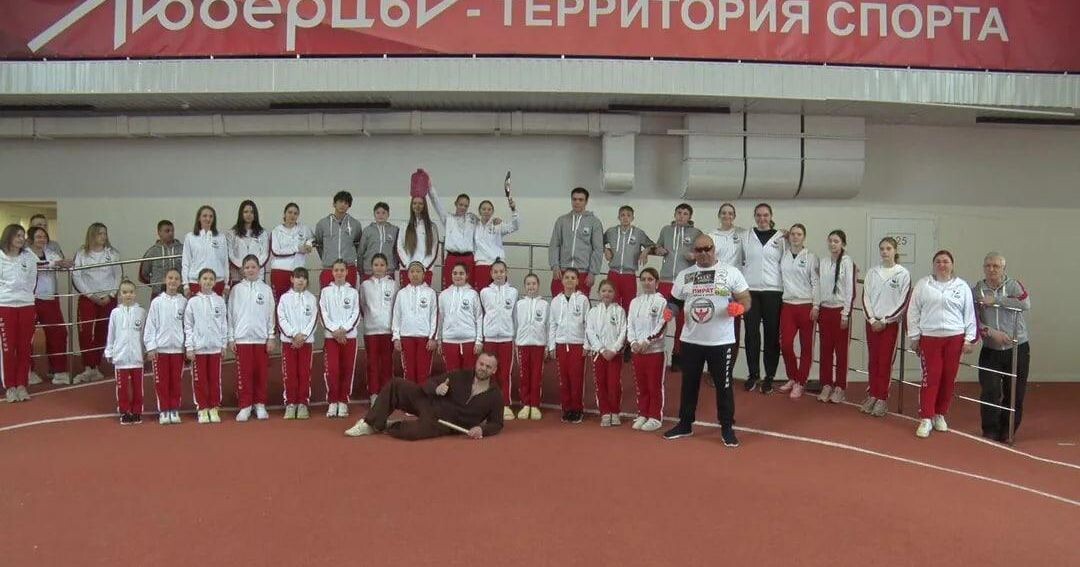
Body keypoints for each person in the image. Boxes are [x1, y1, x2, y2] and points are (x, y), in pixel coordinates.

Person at [663, 234, 751, 447]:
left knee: (724, 385)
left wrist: (740, 307)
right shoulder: (685, 275)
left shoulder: (731, 272)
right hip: (691, 340)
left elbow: (745, 298)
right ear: (694, 252)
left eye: (707, 248)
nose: (703, 253)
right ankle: (685, 424)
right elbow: (675, 301)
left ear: (714, 249)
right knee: (689, 384)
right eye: (699, 250)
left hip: (721, 341)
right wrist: (670, 311)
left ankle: (727, 427)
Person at [344, 353, 505, 440]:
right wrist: (437, 388)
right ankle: (369, 423)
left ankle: (386, 425)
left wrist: (481, 429)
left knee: (411, 433)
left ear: (494, 370)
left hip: (443, 424)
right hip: (430, 403)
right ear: (476, 363)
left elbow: (497, 423)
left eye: (488, 366)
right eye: (481, 364)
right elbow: (429, 383)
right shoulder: (460, 375)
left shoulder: (495, 396)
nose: (483, 368)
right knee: (396, 384)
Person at [907, 250, 977, 439]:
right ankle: (926, 417)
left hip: (955, 338)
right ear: (933, 265)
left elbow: (969, 313)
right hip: (930, 338)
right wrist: (914, 336)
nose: (942, 265)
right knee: (931, 377)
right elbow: (913, 311)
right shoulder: (923, 285)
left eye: (945, 261)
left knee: (948, 378)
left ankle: (940, 414)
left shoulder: (962, 286)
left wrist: (969, 339)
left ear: (952, 265)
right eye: (938, 261)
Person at [973, 252, 1031, 442]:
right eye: (988, 266)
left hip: (1017, 348)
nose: (992, 269)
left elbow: (1025, 304)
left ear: (1003, 268)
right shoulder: (978, 289)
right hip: (991, 349)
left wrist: (996, 300)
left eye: (996, 266)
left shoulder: (1013, 285)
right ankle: (990, 429)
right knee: (990, 390)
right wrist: (990, 332)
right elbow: (973, 318)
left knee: (1014, 392)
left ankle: (1008, 430)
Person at [861, 237, 911, 417]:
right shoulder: (872, 272)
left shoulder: (902, 273)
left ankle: (882, 398)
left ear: (895, 251)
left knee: (885, 361)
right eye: (882, 248)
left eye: (888, 248)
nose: (884, 252)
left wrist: (885, 320)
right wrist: (871, 319)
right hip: (872, 324)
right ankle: (873, 394)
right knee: (873, 360)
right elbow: (865, 297)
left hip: (889, 325)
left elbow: (903, 302)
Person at [650, 203, 702, 371]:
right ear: (674, 214)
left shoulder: (696, 233)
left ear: (690, 217)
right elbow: (657, 246)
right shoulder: (666, 230)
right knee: (659, 318)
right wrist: (658, 250)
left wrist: (694, 256)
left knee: (682, 322)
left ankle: (678, 356)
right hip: (665, 280)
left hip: (685, 282)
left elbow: (703, 254)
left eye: (685, 213)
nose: (681, 216)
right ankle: (655, 352)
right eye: (679, 212)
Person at [741, 203, 785, 394]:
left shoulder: (781, 238)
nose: (762, 218)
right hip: (750, 291)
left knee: (771, 335)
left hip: (773, 292)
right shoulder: (745, 236)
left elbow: (790, 260)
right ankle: (753, 375)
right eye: (758, 215)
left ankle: (769, 377)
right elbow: (737, 260)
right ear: (754, 216)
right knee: (751, 334)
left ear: (771, 216)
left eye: (765, 215)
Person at [72, 222, 123, 384]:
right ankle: (88, 365)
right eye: (100, 233)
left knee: (104, 330)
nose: (103, 237)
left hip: (108, 298)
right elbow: (77, 276)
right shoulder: (82, 254)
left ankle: (96, 365)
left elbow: (118, 275)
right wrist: (90, 295)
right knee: (86, 331)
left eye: (105, 233)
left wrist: (111, 295)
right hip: (88, 298)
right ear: (92, 235)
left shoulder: (112, 253)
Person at [228, 255, 276, 422]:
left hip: (261, 339)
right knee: (245, 374)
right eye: (247, 267)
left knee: (261, 373)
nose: (250, 270)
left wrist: (271, 336)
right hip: (242, 339)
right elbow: (230, 314)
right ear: (242, 270)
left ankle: (260, 404)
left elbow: (270, 314)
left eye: (253, 267)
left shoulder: (266, 290)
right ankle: (245, 405)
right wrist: (231, 337)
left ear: (259, 269)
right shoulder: (236, 290)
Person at [777, 224, 818, 399]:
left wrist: (816, 306)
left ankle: (801, 382)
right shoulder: (784, 254)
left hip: (806, 305)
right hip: (788, 305)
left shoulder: (811, 257)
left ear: (804, 237)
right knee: (785, 344)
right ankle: (793, 377)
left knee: (806, 347)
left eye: (799, 234)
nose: (795, 237)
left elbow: (816, 282)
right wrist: (782, 234)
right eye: (793, 234)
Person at [816, 230, 856, 404]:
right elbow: (818, 286)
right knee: (825, 350)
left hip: (840, 311)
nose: (833, 244)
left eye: (836, 241)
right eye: (830, 241)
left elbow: (850, 290)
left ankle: (840, 387)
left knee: (841, 352)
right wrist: (817, 306)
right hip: (825, 310)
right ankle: (826, 384)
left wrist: (845, 313)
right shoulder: (824, 262)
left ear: (843, 244)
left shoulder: (847, 262)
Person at [185, 268, 229, 424]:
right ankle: (202, 408)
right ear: (199, 281)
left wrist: (223, 344)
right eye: (205, 278)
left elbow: (223, 323)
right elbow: (188, 326)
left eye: (211, 279)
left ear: (215, 282)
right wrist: (190, 347)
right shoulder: (193, 302)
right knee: (200, 380)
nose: (208, 281)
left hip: (215, 347)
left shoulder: (219, 300)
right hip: (199, 348)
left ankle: (214, 407)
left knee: (214, 379)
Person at [27, 226, 70, 385]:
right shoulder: (25, 254)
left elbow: (61, 263)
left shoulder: (51, 252)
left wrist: (64, 264)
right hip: (30, 299)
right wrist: (54, 263)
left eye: (44, 236)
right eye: (38, 237)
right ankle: (28, 371)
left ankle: (58, 370)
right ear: (31, 239)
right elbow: (36, 265)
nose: (42, 239)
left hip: (50, 298)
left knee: (59, 333)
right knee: (27, 337)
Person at [627, 268, 669, 432]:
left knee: (654, 386)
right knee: (641, 385)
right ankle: (643, 413)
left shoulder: (662, 302)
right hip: (638, 351)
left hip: (655, 352)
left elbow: (661, 325)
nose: (646, 282)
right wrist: (633, 342)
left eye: (650, 279)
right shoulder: (634, 302)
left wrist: (647, 341)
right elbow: (630, 324)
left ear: (657, 283)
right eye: (643, 279)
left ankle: (655, 417)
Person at [144, 267, 186, 425]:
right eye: (170, 278)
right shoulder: (157, 302)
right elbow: (150, 325)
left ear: (180, 282)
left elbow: (187, 325)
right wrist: (151, 347)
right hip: (160, 350)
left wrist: (187, 345)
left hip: (178, 349)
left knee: (176, 381)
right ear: (165, 280)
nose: (173, 281)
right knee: (162, 381)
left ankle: (174, 409)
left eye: (176, 278)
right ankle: (164, 410)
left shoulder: (184, 302)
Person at [0, 224, 38, 402]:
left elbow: (31, 281)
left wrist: (23, 295)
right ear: (8, 237)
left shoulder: (29, 257)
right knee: (8, 349)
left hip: (26, 305)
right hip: (5, 306)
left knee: (24, 347)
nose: (21, 239)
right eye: (17, 235)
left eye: (23, 235)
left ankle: (22, 384)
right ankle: (10, 386)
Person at [548, 268, 590, 423]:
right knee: (564, 379)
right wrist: (551, 346)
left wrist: (586, 344)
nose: (570, 280)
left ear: (578, 281)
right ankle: (566, 409)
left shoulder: (583, 300)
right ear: (562, 280)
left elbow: (588, 324)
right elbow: (552, 324)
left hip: (577, 345)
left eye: (573, 277)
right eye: (567, 277)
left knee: (576, 379)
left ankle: (577, 409)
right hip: (561, 344)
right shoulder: (555, 301)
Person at [320, 259, 361, 419]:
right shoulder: (325, 292)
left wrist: (344, 330)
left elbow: (356, 313)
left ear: (347, 272)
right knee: (332, 370)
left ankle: (343, 401)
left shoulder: (353, 292)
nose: (339, 273)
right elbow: (323, 313)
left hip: (349, 337)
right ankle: (333, 401)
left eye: (342, 270)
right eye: (336, 270)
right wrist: (335, 331)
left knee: (347, 369)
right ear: (332, 272)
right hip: (331, 338)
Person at [708, 203, 747, 363]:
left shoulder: (742, 234)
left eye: (730, 213)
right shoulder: (711, 235)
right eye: (724, 213)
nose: (727, 216)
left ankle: (728, 367)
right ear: (719, 215)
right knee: (713, 325)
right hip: (715, 287)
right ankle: (713, 366)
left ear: (734, 216)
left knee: (733, 329)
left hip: (735, 289)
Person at [585, 279, 627, 427]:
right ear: (599, 293)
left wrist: (614, 350)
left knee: (614, 384)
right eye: (603, 291)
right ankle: (605, 412)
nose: (606, 294)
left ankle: (615, 412)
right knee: (600, 383)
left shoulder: (620, 311)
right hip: (599, 354)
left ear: (614, 294)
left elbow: (623, 331)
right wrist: (601, 349)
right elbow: (590, 332)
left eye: (610, 291)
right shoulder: (593, 312)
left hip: (614, 355)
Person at [548, 187, 604, 297]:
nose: (577, 202)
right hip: (562, 271)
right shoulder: (562, 220)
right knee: (558, 301)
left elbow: (598, 249)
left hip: (583, 272)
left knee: (580, 304)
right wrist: (554, 265)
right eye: (574, 199)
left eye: (580, 199)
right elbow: (554, 244)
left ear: (586, 201)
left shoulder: (594, 222)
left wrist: (592, 272)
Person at [480, 260, 518, 419]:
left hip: (506, 338)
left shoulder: (513, 292)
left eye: (501, 271)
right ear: (491, 274)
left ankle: (505, 404)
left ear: (506, 272)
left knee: (505, 373)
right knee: (489, 373)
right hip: (489, 338)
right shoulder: (484, 292)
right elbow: (482, 315)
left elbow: (515, 316)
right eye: (495, 272)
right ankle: (489, 406)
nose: (499, 274)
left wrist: (515, 337)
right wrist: (481, 337)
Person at [104, 280, 146, 425]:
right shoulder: (115, 313)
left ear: (135, 293)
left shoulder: (141, 312)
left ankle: (137, 411)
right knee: (122, 388)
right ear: (120, 294)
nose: (128, 295)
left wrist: (145, 351)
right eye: (124, 292)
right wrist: (109, 351)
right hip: (121, 358)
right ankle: (124, 411)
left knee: (138, 387)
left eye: (131, 292)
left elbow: (144, 334)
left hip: (137, 357)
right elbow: (111, 334)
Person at [279, 267, 318, 420]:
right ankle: (290, 403)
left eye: (304, 277)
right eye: (298, 277)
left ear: (307, 281)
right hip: (289, 343)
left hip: (306, 343)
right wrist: (293, 335)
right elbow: (281, 319)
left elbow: (314, 319)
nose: (301, 280)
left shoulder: (311, 299)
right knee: (290, 374)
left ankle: (302, 403)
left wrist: (303, 336)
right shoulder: (284, 298)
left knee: (304, 373)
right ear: (292, 279)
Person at [359, 254, 397, 404]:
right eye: (376, 265)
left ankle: (386, 393)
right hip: (371, 331)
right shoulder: (365, 285)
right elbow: (363, 305)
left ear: (387, 267)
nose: (379, 268)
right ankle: (374, 393)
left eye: (382, 265)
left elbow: (396, 307)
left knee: (387, 363)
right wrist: (371, 320)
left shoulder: (393, 285)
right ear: (371, 267)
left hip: (388, 330)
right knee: (373, 363)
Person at [603, 205, 653, 317]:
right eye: (622, 215)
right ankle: (611, 328)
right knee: (611, 305)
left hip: (629, 275)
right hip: (613, 274)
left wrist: (646, 250)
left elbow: (652, 245)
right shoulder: (611, 232)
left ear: (632, 218)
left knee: (629, 306)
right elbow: (597, 241)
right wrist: (605, 249)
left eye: (628, 215)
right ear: (618, 217)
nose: (625, 218)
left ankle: (627, 329)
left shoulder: (639, 233)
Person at [392, 262, 438, 384]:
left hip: (425, 338)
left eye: (418, 271)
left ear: (424, 274)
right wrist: (396, 337)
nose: (415, 274)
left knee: (424, 372)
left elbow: (434, 316)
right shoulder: (401, 293)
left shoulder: (430, 293)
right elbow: (396, 316)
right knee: (409, 372)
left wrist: (432, 338)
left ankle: (422, 396)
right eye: (412, 272)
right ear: (408, 274)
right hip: (406, 337)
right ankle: (410, 395)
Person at [429, 184, 478, 290]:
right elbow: (436, 202)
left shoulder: (473, 219)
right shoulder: (448, 218)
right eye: (461, 204)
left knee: (469, 288)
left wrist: (495, 221)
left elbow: (485, 222)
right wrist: (429, 186)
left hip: (468, 258)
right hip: (452, 257)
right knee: (450, 288)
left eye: (466, 206)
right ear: (456, 204)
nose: (463, 207)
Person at [514, 273, 547, 420]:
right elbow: (515, 324)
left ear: (538, 285)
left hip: (538, 344)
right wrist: (515, 342)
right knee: (524, 376)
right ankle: (525, 404)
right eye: (528, 284)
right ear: (524, 286)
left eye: (534, 283)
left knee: (536, 376)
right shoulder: (519, 304)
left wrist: (547, 345)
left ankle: (535, 404)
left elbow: (548, 325)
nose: (531, 286)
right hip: (522, 344)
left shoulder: (544, 305)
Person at [313, 191, 363, 288]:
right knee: (327, 295)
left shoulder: (355, 224)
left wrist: (350, 257)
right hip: (329, 268)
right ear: (334, 204)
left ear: (349, 206)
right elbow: (319, 244)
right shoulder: (322, 224)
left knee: (349, 296)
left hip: (348, 268)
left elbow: (358, 244)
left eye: (346, 203)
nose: (343, 205)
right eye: (340, 202)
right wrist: (327, 258)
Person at [438, 263, 483, 373]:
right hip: (449, 340)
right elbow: (440, 319)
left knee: (469, 374)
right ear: (451, 275)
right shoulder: (443, 295)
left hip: (469, 340)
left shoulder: (473, 294)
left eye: (461, 273)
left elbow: (479, 317)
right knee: (452, 375)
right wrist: (439, 340)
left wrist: (478, 340)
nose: (458, 276)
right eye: (455, 273)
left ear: (467, 276)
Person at [269, 203, 314, 301]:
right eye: (290, 212)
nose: (292, 215)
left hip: (298, 271)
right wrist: (297, 249)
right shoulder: (276, 231)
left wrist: (309, 245)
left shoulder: (304, 229)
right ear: (284, 214)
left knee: (298, 300)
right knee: (280, 301)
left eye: (295, 213)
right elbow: (276, 251)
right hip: (280, 271)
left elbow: (313, 239)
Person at [473, 194, 519, 289]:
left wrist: (513, 209)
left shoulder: (498, 224)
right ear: (479, 211)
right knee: (482, 293)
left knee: (500, 292)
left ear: (492, 211)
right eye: (484, 209)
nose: (486, 211)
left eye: (489, 209)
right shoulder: (474, 226)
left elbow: (515, 226)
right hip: (482, 264)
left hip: (498, 264)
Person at [181, 205, 229, 296]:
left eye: (211, 216)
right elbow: (186, 262)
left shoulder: (220, 237)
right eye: (205, 216)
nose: (208, 219)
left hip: (217, 282)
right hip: (195, 283)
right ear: (199, 218)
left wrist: (226, 284)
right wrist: (185, 285)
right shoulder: (190, 237)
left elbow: (225, 261)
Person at [397, 196, 439, 285]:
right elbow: (399, 246)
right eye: (414, 203)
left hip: (425, 269)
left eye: (420, 203)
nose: (417, 206)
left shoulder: (432, 227)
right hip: (407, 269)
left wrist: (423, 267)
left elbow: (434, 249)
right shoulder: (404, 225)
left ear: (425, 206)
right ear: (411, 206)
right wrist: (408, 265)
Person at [227, 200, 270, 284]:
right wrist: (242, 267)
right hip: (238, 275)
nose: (249, 214)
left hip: (257, 276)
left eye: (252, 212)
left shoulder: (262, 233)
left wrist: (253, 267)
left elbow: (264, 254)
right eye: (246, 212)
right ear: (241, 214)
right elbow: (230, 255)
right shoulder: (231, 233)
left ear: (255, 215)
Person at [139, 220, 183, 296]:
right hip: (158, 294)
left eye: (172, 231)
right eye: (167, 231)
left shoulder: (183, 250)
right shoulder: (152, 252)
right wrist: (155, 284)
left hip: (179, 292)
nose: (171, 233)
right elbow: (142, 275)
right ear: (159, 232)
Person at [357, 202, 400, 281]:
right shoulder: (367, 230)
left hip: (388, 270)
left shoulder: (394, 230)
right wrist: (360, 270)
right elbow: (361, 251)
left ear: (388, 214)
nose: (380, 215)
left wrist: (396, 266)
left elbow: (397, 251)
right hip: (369, 270)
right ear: (374, 214)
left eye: (383, 213)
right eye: (378, 213)